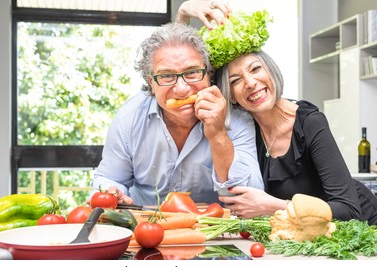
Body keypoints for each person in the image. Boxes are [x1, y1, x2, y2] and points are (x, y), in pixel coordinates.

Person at [176, 0, 377, 237]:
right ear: (231, 96)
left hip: (363, 233)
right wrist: (184, 13)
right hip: (309, 238)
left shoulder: (309, 122)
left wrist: (274, 205)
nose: (249, 82)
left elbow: (348, 209)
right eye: (235, 81)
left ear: (271, 71)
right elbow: (187, 74)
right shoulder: (244, 129)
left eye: (256, 69)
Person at [91, 22, 263, 206]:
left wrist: (218, 135)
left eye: (192, 73)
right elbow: (110, 178)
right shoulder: (129, 117)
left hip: (212, 230)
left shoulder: (237, 118)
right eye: (166, 76)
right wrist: (113, 192)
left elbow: (249, 197)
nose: (181, 89)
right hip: (145, 225)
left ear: (208, 74)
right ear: (151, 82)